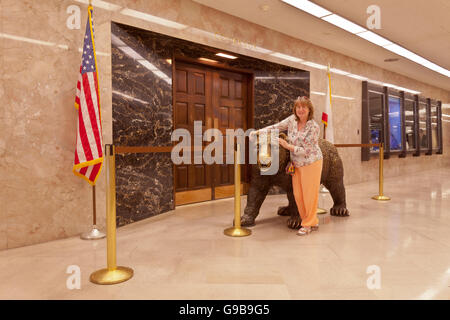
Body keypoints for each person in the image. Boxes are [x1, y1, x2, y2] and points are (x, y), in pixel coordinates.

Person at [251, 96, 323, 236]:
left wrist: (286, 146)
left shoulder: (313, 127)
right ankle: (311, 221)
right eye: (298, 107)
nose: (300, 110)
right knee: (298, 195)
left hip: (311, 163)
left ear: (309, 110)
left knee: (309, 195)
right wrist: (259, 132)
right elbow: (276, 127)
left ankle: (308, 224)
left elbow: (306, 151)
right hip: (296, 164)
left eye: (304, 107)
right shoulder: (291, 120)